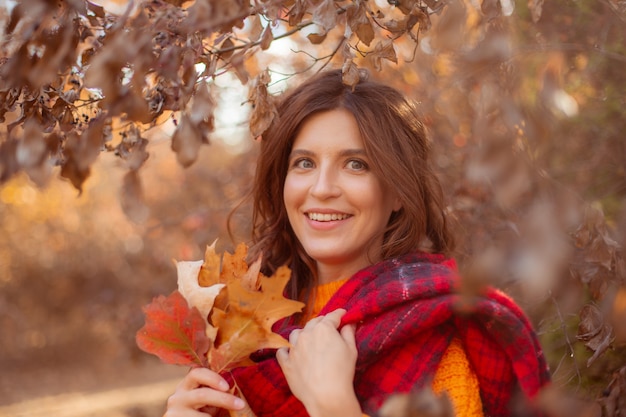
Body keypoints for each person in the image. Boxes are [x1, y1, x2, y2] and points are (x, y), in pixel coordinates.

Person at [164, 69, 550, 417]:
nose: (322, 188)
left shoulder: (432, 336)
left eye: (356, 164)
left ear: (398, 191)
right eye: (304, 163)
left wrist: (334, 407)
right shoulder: (242, 328)